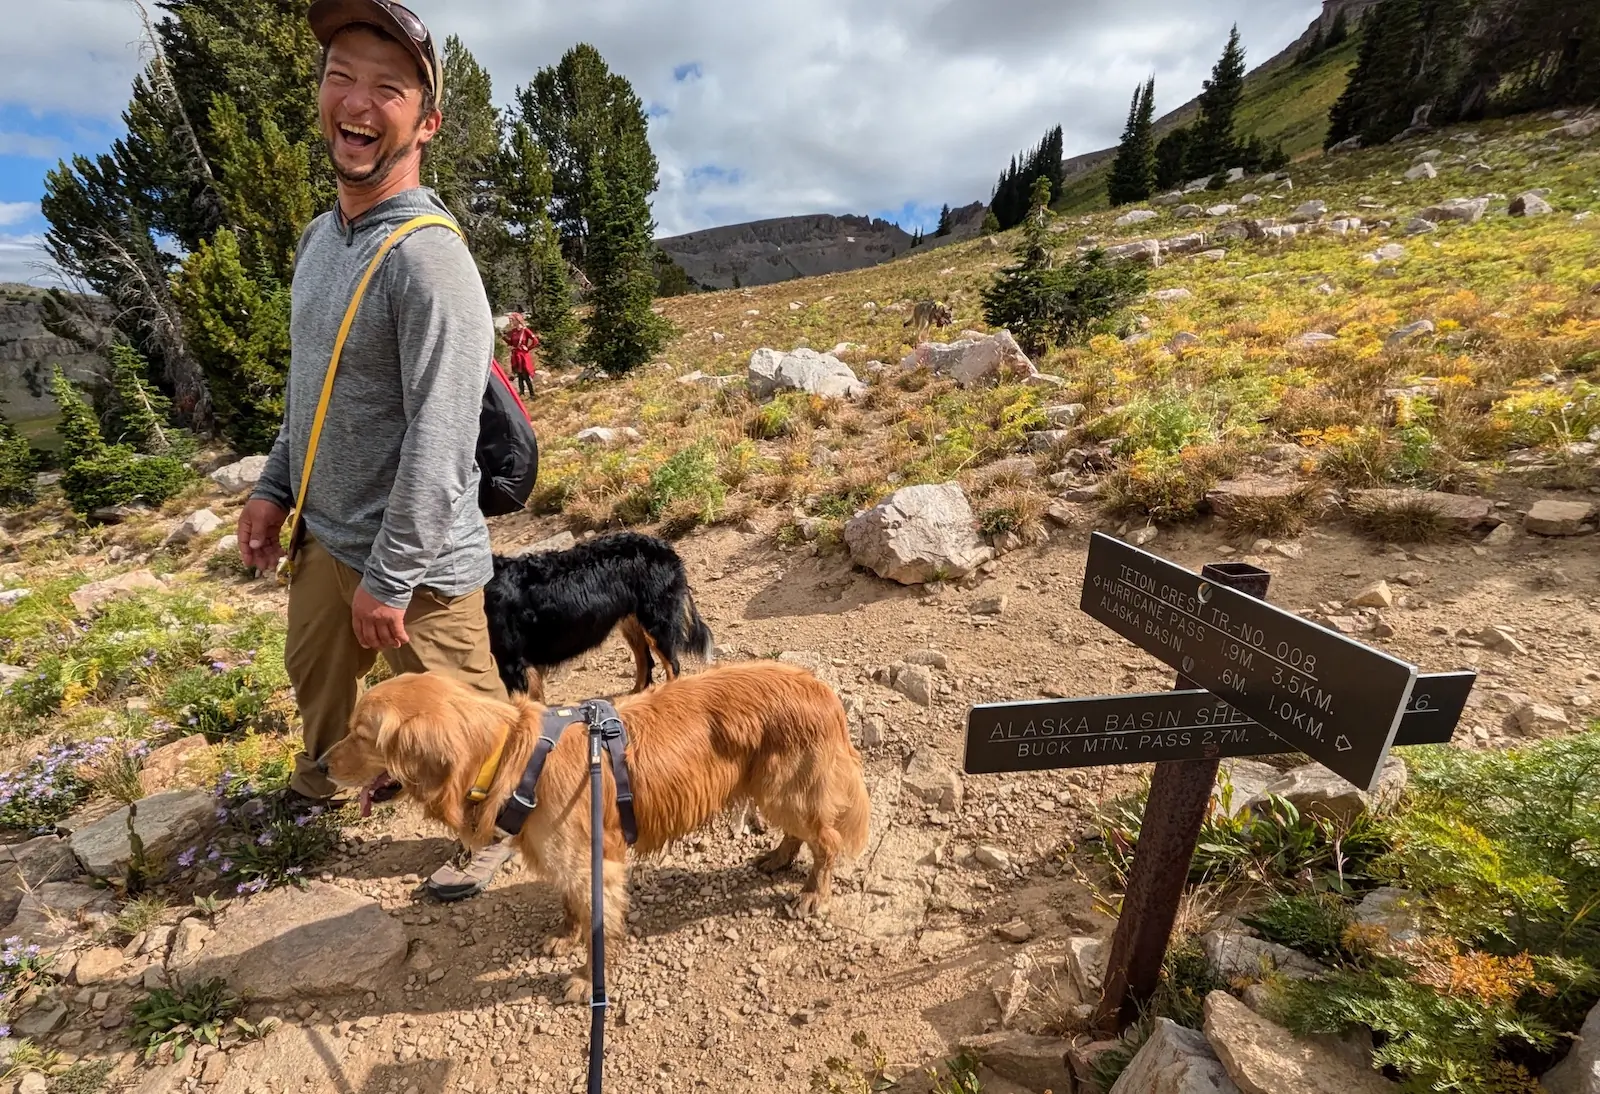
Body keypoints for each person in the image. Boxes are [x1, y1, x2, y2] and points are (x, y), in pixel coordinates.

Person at [237, 0, 516, 903]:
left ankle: (494, 830)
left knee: (474, 730)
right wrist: (275, 485)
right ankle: (326, 782)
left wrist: (391, 579)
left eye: (387, 88)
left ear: (426, 122)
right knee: (316, 681)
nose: (356, 102)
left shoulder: (429, 262)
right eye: (340, 77)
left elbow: (442, 442)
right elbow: (309, 388)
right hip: (327, 534)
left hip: (419, 564)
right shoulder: (321, 239)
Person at [504, 313, 539, 400]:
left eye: (512, 320)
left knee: (525, 375)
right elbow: (512, 343)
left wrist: (528, 348)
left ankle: (532, 394)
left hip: (523, 356)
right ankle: (522, 392)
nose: (511, 321)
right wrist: (504, 338)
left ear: (517, 320)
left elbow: (535, 341)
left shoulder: (525, 330)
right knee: (519, 375)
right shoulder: (514, 331)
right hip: (516, 355)